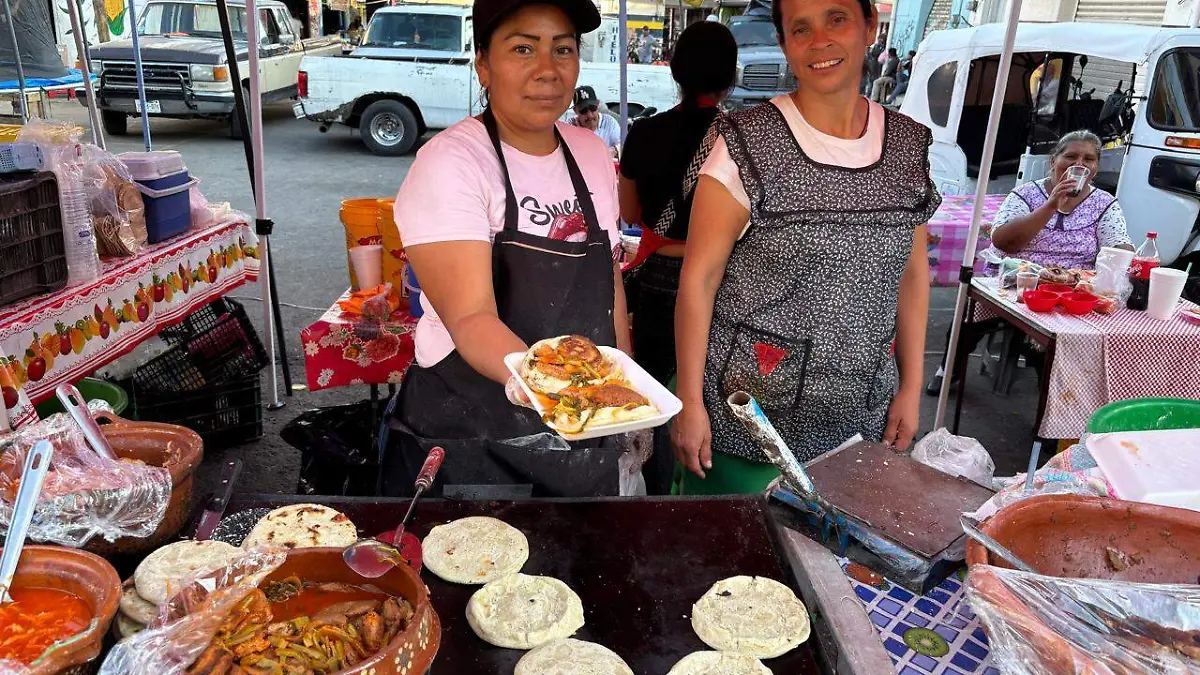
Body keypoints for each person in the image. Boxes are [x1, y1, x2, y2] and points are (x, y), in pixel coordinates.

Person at [672, 0, 940, 495]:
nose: (820, 41)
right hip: (750, 421)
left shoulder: (907, 145)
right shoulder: (745, 142)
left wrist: (909, 387)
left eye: (836, 19)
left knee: (835, 558)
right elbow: (699, 280)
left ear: (870, 27)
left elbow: (912, 274)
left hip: (861, 412)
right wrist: (689, 400)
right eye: (801, 29)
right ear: (785, 45)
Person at [382, 0, 632, 498]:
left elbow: (609, 283)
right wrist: (562, 395)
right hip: (474, 430)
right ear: (483, 64)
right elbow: (471, 317)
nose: (547, 70)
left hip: (581, 421)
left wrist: (624, 396)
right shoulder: (452, 162)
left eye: (563, 49)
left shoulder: (591, 152)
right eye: (523, 48)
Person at [617, 21, 737, 493]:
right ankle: (704, 486)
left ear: (676, 72)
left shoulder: (645, 133)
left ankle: (654, 487)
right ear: (732, 76)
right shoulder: (743, 137)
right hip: (720, 279)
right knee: (710, 389)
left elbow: (628, 212)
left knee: (654, 394)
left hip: (658, 275)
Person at [924, 130, 1134, 395]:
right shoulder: (1025, 195)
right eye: (1070, 156)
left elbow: (1118, 243)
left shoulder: (1105, 204)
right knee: (968, 315)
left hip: (1072, 288)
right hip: (1018, 282)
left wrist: (1123, 252)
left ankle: (1057, 405)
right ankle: (949, 368)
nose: (1079, 163)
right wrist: (1050, 205)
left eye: (1088, 159)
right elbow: (1003, 241)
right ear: (1053, 161)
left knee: (1061, 342)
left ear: (1096, 168)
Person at [568, 85, 621, 156]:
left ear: (598, 105)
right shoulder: (570, 126)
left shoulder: (609, 122)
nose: (590, 115)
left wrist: (615, 150)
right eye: (583, 111)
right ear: (575, 111)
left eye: (592, 108)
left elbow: (623, 144)